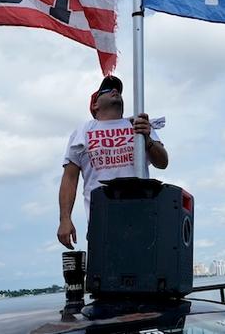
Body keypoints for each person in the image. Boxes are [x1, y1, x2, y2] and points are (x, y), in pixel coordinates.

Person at [57, 75, 168, 249]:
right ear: (95, 105)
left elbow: (162, 162)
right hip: (102, 220)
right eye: (107, 90)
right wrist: (65, 219)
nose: (115, 91)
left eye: (118, 90)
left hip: (143, 215)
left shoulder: (139, 125)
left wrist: (147, 139)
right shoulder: (83, 130)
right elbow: (70, 177)